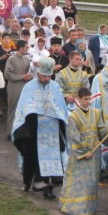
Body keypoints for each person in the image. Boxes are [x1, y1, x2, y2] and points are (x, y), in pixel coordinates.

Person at [12, 57, 68, 199]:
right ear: (38, 73)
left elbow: (60, 106)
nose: (47, 79)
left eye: (49, 76)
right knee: (31, 156)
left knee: (51, 157)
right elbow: (24, 106)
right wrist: (34, 110)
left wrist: (54, 112)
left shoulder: (55, 87)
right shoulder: (29, 87)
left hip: (52, 129)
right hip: (33, 128)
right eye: (44, 76)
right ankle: (28, 182)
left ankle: (47, 187)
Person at [59, 87, 108, 215]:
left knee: (91, 182)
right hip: (80, 155)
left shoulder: (96, 113)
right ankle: (75, 209)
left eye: (89, 99)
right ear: (78, 99)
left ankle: (88, 210)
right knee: (79, 181)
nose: (88, 101)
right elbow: (74, 136)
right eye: (85, 99)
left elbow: (100, 130)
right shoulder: (73, 116)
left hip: (95, 153)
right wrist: (85, 152)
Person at [4, 39, 33, 136]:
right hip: (14, 87)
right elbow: (7, 74)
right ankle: (10, 131)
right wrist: (21, 77)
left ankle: (20, 131)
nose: (27, 49)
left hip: (24, 86)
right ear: (21, 48)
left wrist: (28, 77)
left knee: (23, 109)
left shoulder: (26, 59)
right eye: (26, 47)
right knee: (13, 108)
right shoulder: (11, 59)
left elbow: (28, 72)